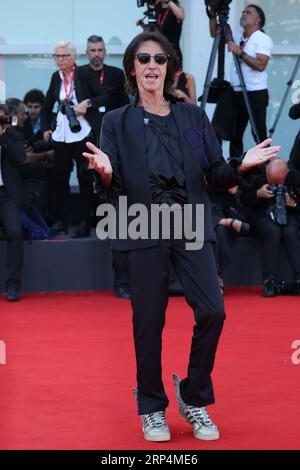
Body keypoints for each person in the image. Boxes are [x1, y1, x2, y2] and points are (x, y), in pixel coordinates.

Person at [83, 31, 280, 442]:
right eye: (143, 59)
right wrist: (103, 172)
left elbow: (214, 174)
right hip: (141, 224)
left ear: (169, 66)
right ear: (132, 69)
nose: (151, 65)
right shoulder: (116, 122)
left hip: (190, 223)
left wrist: (241, 164)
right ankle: (152, 406)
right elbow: (112, 183)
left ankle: (192, 396)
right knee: (148, 322)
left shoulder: (192, 119)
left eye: (159, 58)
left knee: (213, 311)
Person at [78, 35, 130, 297]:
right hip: (90, 139)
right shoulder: (81, 74)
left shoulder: (116, 73)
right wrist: (99, 101)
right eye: (92, 50)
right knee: (98, 191)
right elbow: (83, 103)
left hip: (119, 143)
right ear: (87, 53)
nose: (96, 54)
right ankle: (120, 281)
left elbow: (117, 100)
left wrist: (95, 102)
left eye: (100, 50)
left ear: (105, 52)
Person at [42, 41, 94, 237]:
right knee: (59, 178)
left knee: (84, 178)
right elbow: (47, 106)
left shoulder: (85, 74)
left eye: (64, 56)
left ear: (73, 57)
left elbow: (104, 96)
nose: (60, 59)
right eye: (57, 56)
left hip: (81, 133)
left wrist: (86, 103)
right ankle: (60, 221)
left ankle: (85, 222)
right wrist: (47, 127)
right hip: (62, 135)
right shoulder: (56, 77)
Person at [210, 5, 273, 157]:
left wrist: (240, 53)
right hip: (236, 92)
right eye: (243, 11)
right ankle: (235, 168)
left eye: (248, 12)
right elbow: (214, 33)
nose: (244, 14)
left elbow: (260, 65)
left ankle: (266, 170)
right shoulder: (237, 36)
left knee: (258, 133)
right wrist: (212, 16)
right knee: (235, 134)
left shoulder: (262, 39)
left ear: (258, 20)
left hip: (255, 93)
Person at [241, 157, 300, 297]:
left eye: (280, 182)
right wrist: (258, 194)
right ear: (267, 174)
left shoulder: (296, 178)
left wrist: (294, 204)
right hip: (264, 216)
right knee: (272, 232)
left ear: (286, 174)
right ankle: (269, 281)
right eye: (273, 182)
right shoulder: (258, 178)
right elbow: (244, 199)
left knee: (290, 233)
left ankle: (299, 279)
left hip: (290, 215)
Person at [0, 103, 26, 301]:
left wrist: (4, 135)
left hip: (6, 195)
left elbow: (20, 158)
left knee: (15, 232)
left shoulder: (13, 135)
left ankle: (13, 284)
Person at [137, 0, 185, 67]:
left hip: (173, 53)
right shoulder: (158, 12)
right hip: (159, 54)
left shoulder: (174, 10)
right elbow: (155, 33)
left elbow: (181, 16)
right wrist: (143, 26)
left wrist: (168, 1)